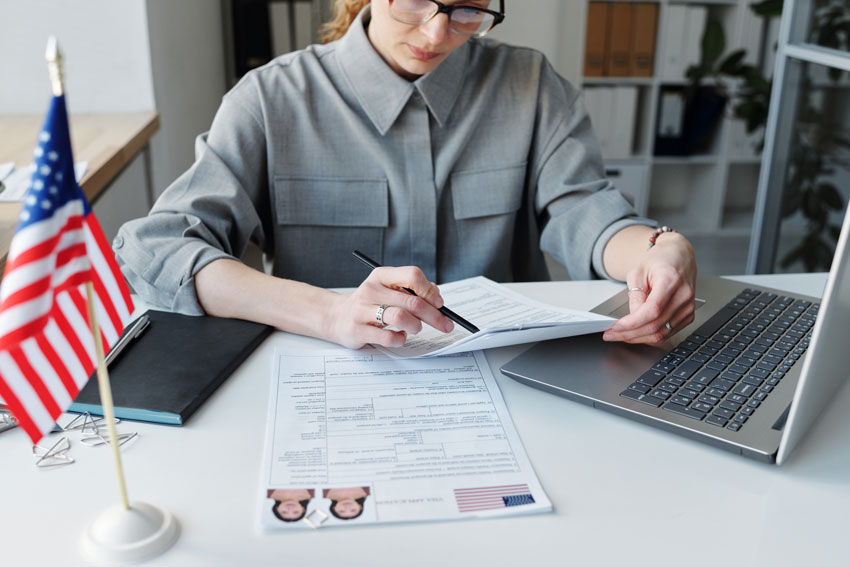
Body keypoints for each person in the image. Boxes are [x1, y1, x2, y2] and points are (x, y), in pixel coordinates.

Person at [114, 0, 697, 349]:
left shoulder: (530, 84)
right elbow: (158, 248)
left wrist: (655, 253)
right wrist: (328, 312)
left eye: (468, 7)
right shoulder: (270, 99)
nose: (436, 33)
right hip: (332, 378)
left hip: (511, 376)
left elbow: (584, 209)